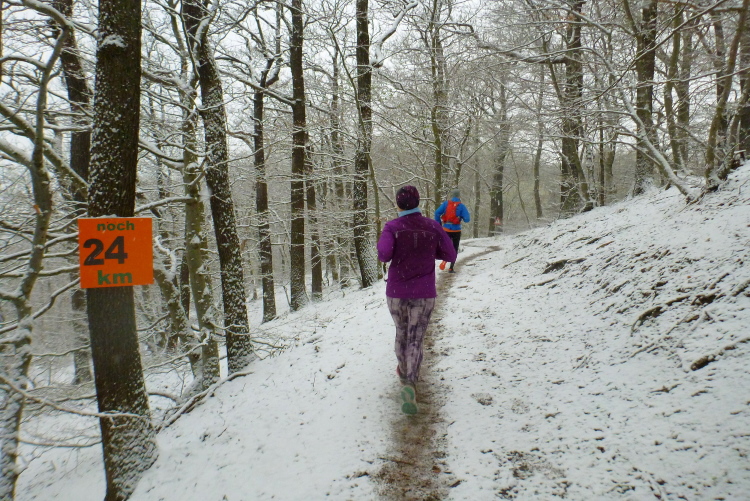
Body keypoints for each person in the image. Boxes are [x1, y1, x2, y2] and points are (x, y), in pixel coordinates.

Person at [377, 185, 457, 415]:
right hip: (423, 292)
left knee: (401, 332)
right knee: (416, 337)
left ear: (398, 203)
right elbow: (450, 254)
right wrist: (430, 251)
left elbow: (384, 254)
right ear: (418, 202)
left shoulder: (392, 227)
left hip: (397, 292)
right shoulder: (432, 226)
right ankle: (410, 383)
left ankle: (404, 375)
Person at [434, 189, 471, 273]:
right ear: (459, 196)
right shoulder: (461, 206)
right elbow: (467, 219)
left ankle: (445, 259)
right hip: (456, 230)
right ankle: (451, 268)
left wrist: (439, 223)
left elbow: (437, 213)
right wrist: (460, 217)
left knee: (446, 246)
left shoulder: (446, 204)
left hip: (446, 229)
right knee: (455, 248)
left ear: (451, 195)